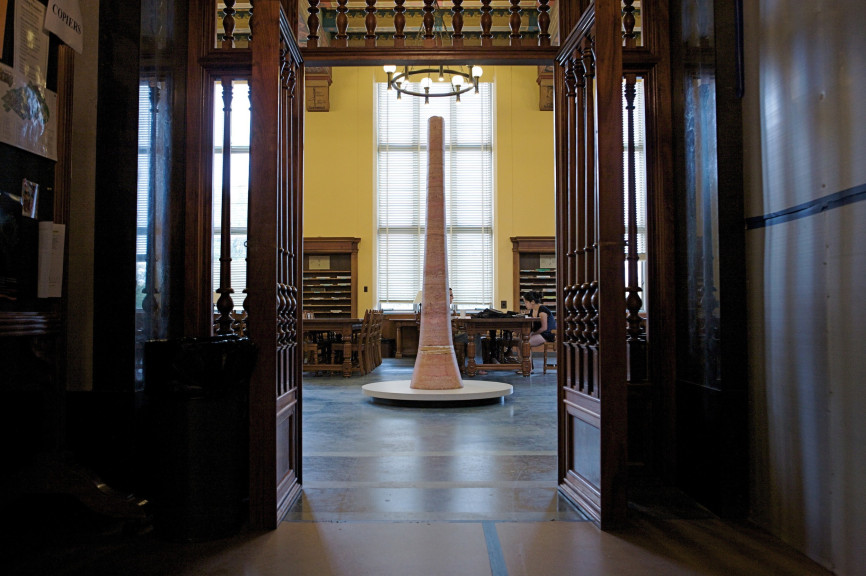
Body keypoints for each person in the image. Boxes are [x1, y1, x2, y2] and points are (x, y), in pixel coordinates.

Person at [506, 290, 556, 361]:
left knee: (525, 343)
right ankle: (525, 364)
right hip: (539, 333)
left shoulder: (542, 311)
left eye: (526, 302)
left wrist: (532, 334)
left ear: (532, 302)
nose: (525, 304)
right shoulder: (533, 310)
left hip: (547, 334)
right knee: (521, 342)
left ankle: (527, 367)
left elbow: (544, 328)